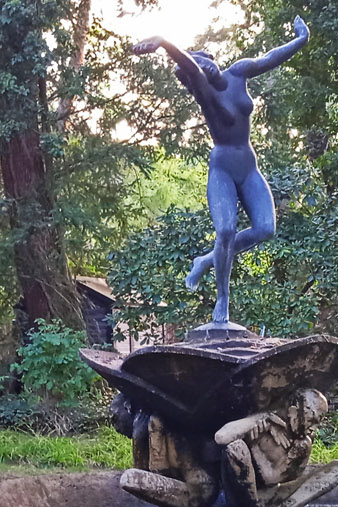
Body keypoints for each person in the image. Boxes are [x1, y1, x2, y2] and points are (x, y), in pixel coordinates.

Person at [131, 16, 310, 324]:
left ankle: (205, 260)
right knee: (225, 230)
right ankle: (223, 300)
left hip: (248, 164)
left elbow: (269, 58)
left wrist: (299, 40)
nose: (205, 66)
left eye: (206, 59)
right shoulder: (205, 93)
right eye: (198, 67)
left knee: (266, 228)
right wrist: (163, 41)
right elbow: (190, 66)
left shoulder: (238, 71)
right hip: (223, 166)